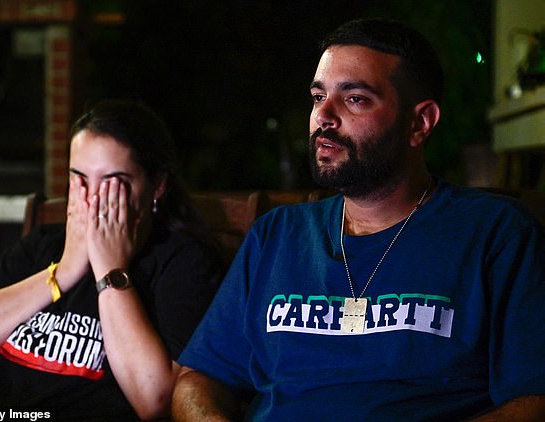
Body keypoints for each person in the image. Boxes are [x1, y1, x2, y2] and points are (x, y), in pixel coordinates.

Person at [172, 18, 545, 421]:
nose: (323, 117)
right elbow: (198, 378)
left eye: (355, 99)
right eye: (318, 97)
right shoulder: (277, 234)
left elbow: (533, 400)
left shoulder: (495, 232)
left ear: (419, 123)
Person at [0, 100, 224, 420]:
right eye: (80, 180)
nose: (92, 200)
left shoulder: (183, 264)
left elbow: (154, 401)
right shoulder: (45, 243)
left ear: (156, 186)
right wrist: (63, 272)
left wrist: (110, 269)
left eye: (112, 184)